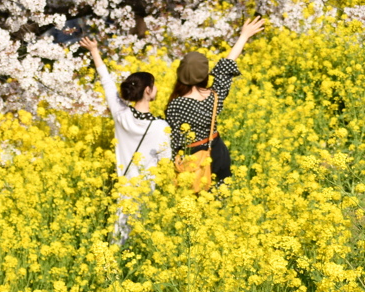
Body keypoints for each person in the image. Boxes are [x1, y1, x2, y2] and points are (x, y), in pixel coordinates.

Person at [80, 36, 171, 242]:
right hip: (147, 191)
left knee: (119, 236)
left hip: (123, 187)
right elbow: (166, 163)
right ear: (148, 91)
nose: (156, 88)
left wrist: (94, 51)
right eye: (154, 85)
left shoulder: (121, 115)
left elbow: (107, 83)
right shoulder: (160, 127)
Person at [166, 16, 266, 185]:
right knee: (220, 198)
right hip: (217, 151)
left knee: (193, 198)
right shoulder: (214, 96)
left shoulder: (176, 105)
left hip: (193, 157)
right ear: (205, 74)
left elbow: (173, 141)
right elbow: (225, 67)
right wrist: (244, 36)